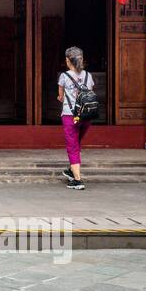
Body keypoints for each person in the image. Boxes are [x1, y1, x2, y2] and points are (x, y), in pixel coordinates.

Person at [56, 46, 94, 190]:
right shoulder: (88, 76)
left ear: (67, 61)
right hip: (86, 116)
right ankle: (72, 170)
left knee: (72, 146)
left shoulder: (64, 76)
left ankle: (77, 180)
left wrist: (64, 97)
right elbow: (90, 95)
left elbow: (60, 96)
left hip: (70, 115)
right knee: (76, 144)